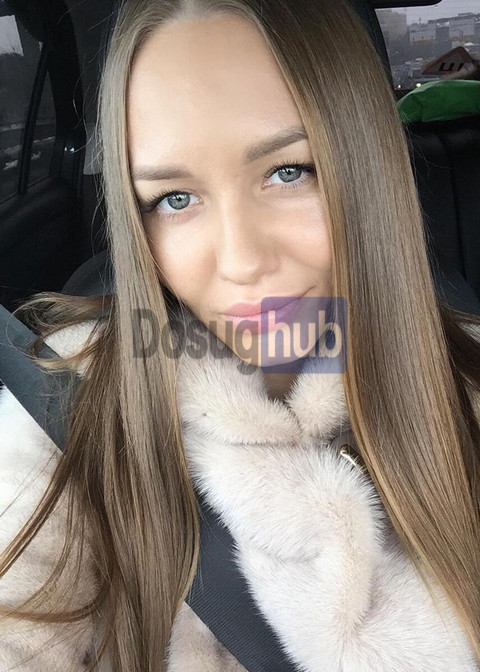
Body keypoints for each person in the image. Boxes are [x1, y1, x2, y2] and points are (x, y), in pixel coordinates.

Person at [1, 0, 480, 670]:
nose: (241, 259)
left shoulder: (467, 385)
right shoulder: (68, 410)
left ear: (365, 166)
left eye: (288, 171)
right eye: (175, 199)